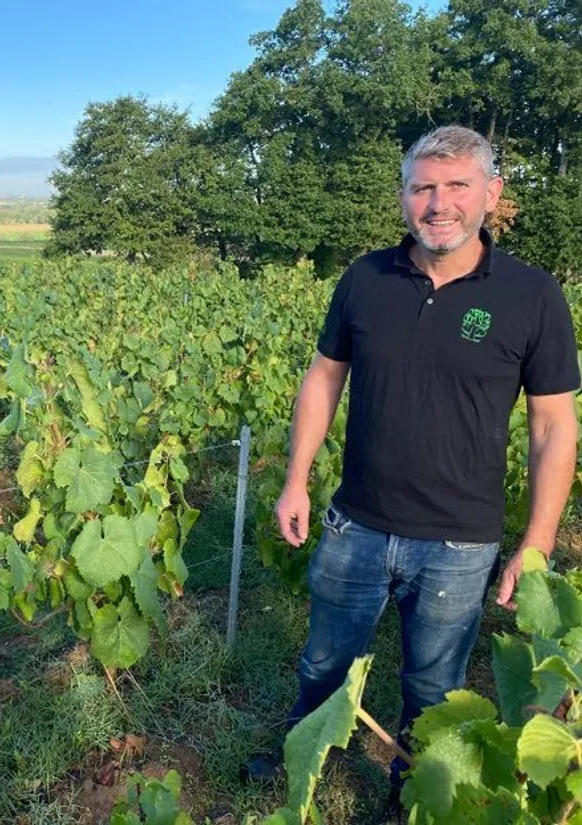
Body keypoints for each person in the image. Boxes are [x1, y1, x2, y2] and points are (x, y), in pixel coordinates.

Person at [248, 126, 580, 805]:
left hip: (461, 539)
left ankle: (411, 793)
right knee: (322, 659)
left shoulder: (532, 294)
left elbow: (553, 425)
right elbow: (323, 378)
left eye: (457, 185)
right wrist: (296, 477)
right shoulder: (365, 278)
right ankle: (301, 754)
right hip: (356, 521)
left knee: (432, 686)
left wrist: (537, 542)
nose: (439, 203)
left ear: (491, 192)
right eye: (423, 186)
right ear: (403, 196)